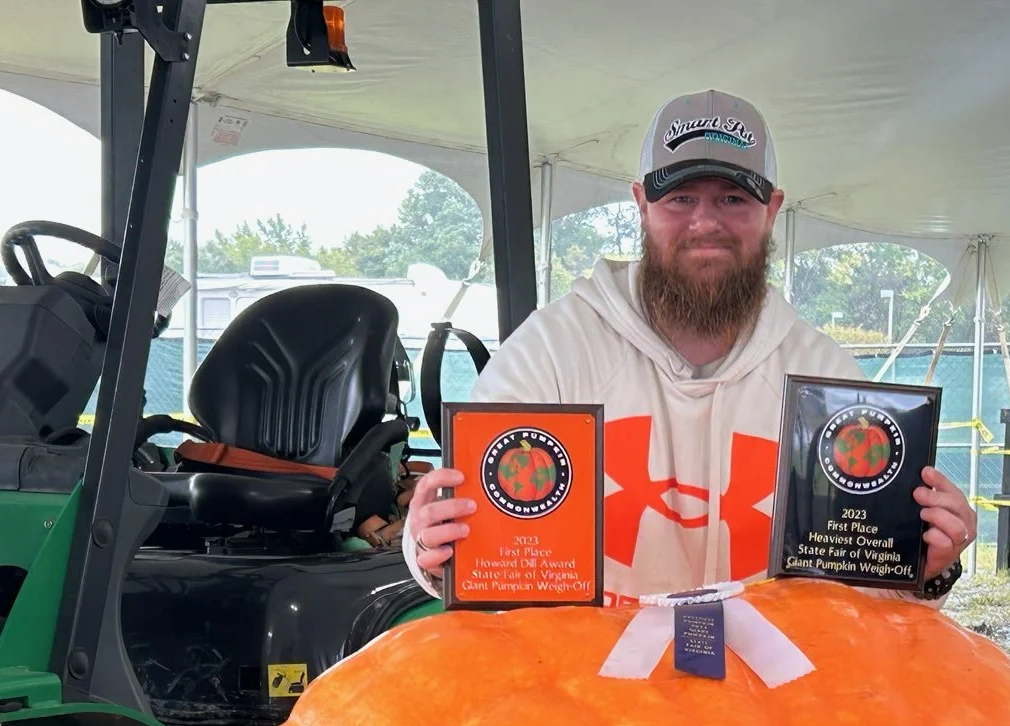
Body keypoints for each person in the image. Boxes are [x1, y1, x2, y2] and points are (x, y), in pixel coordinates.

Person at [398, 89, 976, 603]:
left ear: (772, 210)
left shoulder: (823, 376)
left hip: (768, 701)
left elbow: (870, 596)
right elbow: (468, 541)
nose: (706, 223)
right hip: (585, 691)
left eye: (732, 199)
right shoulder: (553, 350)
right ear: (642, 204)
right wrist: (427, 544)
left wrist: (928, 569)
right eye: (679, 199)